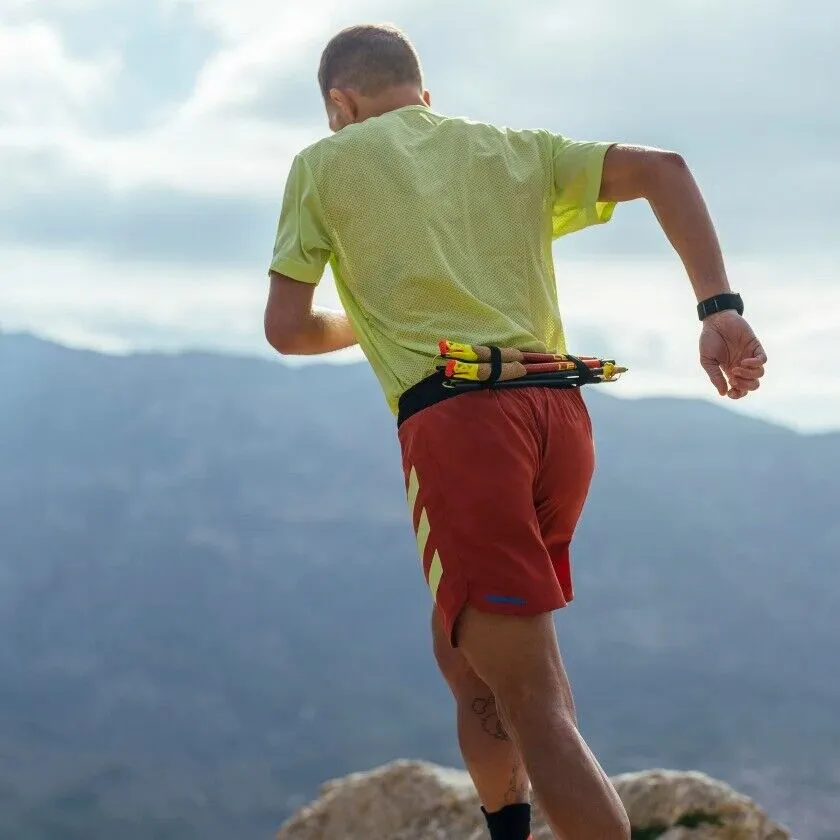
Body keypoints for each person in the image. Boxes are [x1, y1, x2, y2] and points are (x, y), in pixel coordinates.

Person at [263, 23, 767, 840]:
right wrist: (720, 310)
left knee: (535, 703)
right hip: (558, 416)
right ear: (425, 99)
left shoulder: (324, 164)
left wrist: (366, 315)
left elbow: (288, 330)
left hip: (460, 422)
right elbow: (665, 170)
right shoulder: (507, 149)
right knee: (465, 653)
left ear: (338, 105)